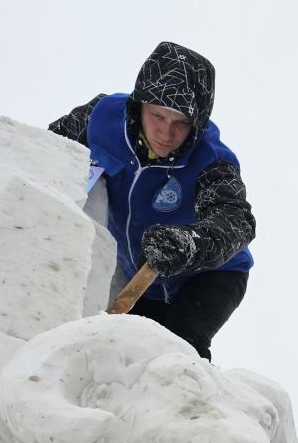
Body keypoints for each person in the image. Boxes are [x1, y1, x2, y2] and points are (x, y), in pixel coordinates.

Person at [49, 41, 254, 360]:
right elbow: (43, 151)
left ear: (197, 123)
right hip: (135, 275)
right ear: (138, 105)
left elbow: (236, 222)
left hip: (208, 277)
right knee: (122, 357)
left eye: (181, 123)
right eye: (157, 115)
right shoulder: (101, 119)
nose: (166, 133)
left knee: (178, 350)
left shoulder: (212, 161)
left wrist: (188, 244)